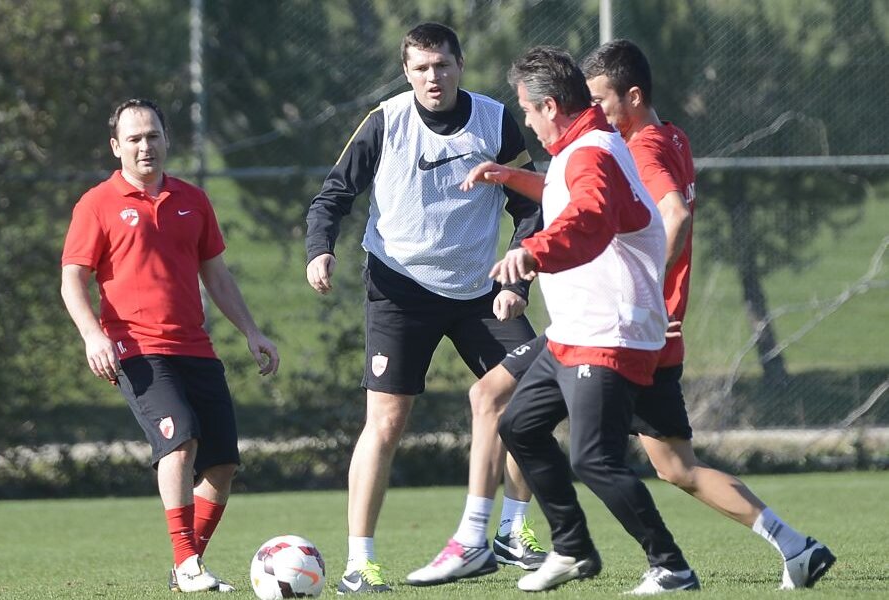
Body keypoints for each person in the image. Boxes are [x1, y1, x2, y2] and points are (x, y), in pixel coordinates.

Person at [462, 38, 836, 591]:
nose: (592, 109)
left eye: (600, 99)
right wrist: (511, 177)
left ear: (632, 97)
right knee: (674, 466)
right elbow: (593, 200)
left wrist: (644, 289)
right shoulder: (667, 139)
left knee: (548, 430)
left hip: (620, 326)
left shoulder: (638, 149)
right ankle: (796, 546)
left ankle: (531, 540)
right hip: (638, 327)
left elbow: (668, 213)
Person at [304, 22, 547, 593]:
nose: (432, 77)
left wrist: (517, 279)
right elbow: (333, 196)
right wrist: (320, 250)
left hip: (480, 291)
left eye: (441, 65)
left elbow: (531, 206)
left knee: (531, 397)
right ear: (406, 72)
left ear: (459, 65)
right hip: (400, 291)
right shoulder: (385, 121)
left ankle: (513, 531)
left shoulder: (494, 121)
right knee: (386, 422)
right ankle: (360, 563)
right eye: (421, 68)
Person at [490, 45, 700, 595]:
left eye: (527, 110)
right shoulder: (582, 146)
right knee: (519, 425)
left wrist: (532, 251)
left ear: (550, 106)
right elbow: (572, 193)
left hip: (609, 332)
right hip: (574, 332)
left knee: (594, 459)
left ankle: (671, 567)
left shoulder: (590, 152)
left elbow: (589, 217)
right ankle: (573, 548)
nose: (527, 122)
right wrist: (510, 178)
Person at [61, 99, 280, 593]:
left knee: (222, 465)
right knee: (179, 441)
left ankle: (187, 565)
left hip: (196, 348)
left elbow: (216, 275)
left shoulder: (193, 200)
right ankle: (187, 565)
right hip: (136, 349)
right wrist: (93, 335)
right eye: (134, 138)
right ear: (116, 146)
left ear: (167, 140)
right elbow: (72, 279)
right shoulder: (96, 203)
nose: (145, 146)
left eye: (153, 136)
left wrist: (252, 331)